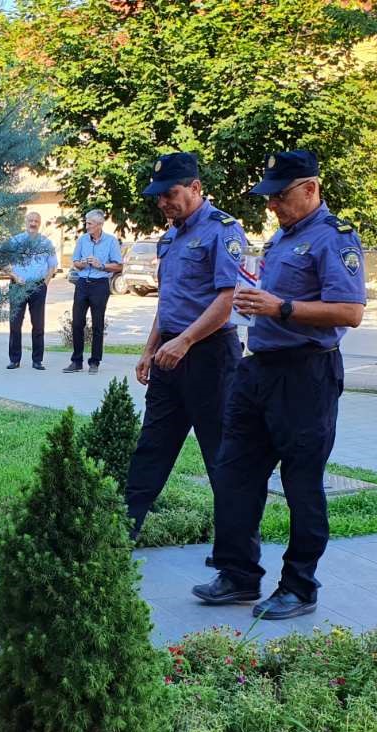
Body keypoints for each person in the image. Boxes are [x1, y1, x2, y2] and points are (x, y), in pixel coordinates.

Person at [196, 150, 366, 620]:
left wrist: (282, 308)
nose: (271, 205)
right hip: (257, 370)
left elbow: (350, 312)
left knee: (301, 482)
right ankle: (238, 574)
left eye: (279, 196)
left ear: (310, 189)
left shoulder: (335, 238)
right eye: (268, 197)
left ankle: (299, 586)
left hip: (306, 374)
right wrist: (257, 306)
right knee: (234, 472)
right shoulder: (281, 237)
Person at [123, 153, 245, 550]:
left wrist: (186, 341)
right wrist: (150, 349)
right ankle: (120, 535)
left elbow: (227, 300)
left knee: (221, 455)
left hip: (211, 356)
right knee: (151, 447)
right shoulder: (169, 237)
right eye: (158, 196)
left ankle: (233, 553)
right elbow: (168, 303)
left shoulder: (223, 230)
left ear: (195, 188)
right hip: (169, 355)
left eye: (170, 194)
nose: (162, 202)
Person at [65, 209, 124, 374]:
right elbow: (75, 262)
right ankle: (76, 361)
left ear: (99, 224)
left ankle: (95, 362)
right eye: (86, 223)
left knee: (97, 324)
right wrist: (82, 263)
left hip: (100, 285)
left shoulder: (111, 241)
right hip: (82, 283)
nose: (87, 226)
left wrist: (101, 265)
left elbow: (119, 266)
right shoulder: (82, 240)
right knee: (77, 323)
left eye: (89, 223)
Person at [6, 211, 57, 370]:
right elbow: (3, 263)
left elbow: (52, 266)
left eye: (36, 221)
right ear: (25, 221)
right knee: (15, 324)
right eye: (30, 220)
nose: (33, 223)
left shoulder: (46, 243)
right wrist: (15, 276)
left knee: (38, 325)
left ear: (39, 224)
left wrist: (45, 283)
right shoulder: (15, 241)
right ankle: (14, 360)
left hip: (38, 287)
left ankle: (37, 360)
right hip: (18, 287)